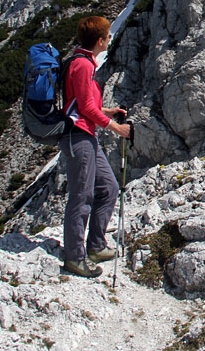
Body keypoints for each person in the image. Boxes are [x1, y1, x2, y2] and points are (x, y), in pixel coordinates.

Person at [60, 16, 131, 278]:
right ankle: (74, 258)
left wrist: (107, 110)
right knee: (82, 196)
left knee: (109, 188)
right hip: (78, 137)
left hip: (86, 135)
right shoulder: (81, 65)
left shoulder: (84, 63)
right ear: (100, 40)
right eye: (108, 35)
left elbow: (82, 104)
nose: (111, 38)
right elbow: (85, 109)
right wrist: (116, 128)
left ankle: (96, 245)